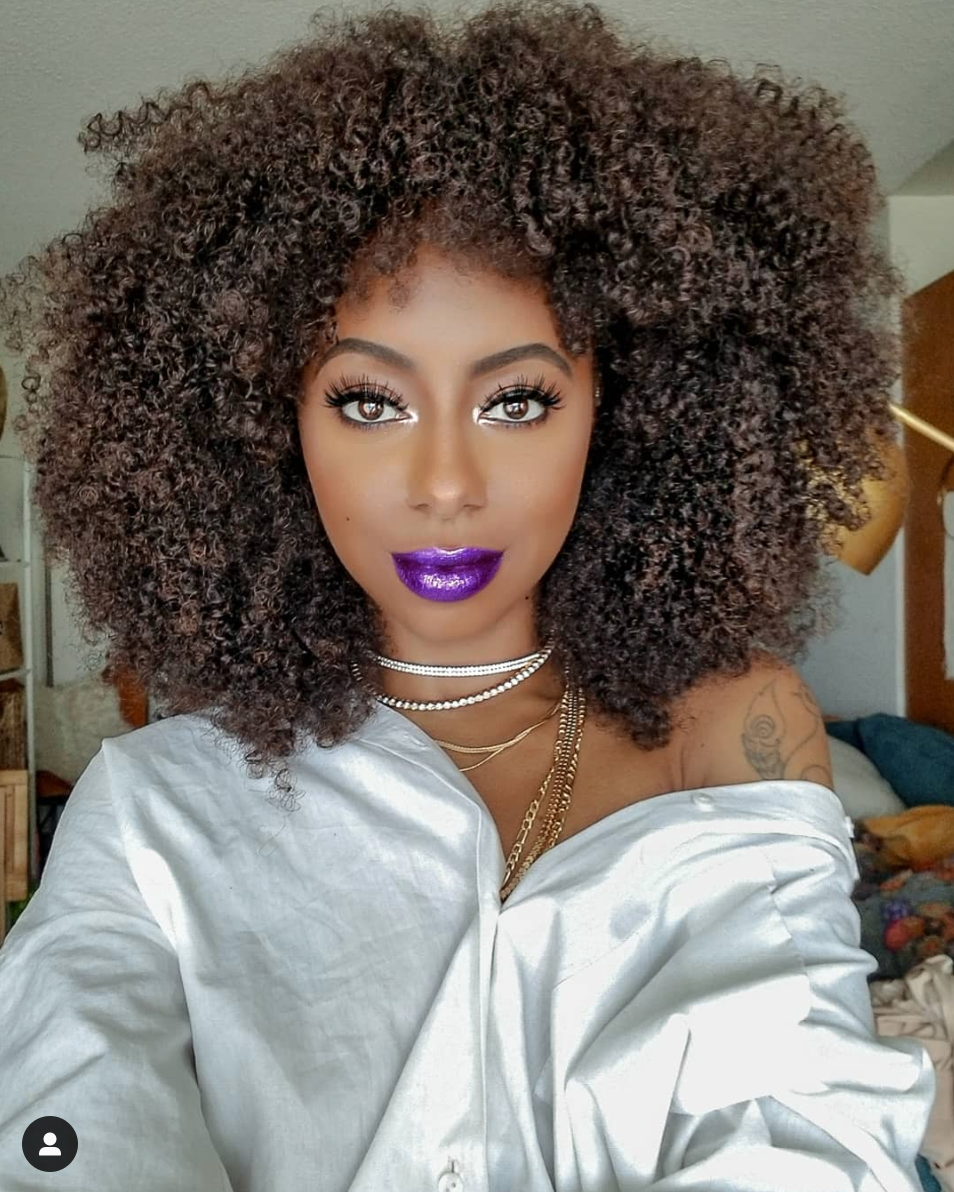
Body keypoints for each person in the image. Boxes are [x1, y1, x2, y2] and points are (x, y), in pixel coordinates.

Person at [0, 2, 936, 1189]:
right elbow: (70, 1136)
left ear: (629, 412)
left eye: (517, 400)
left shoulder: (731, 723)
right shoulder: (150, 811)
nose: (445, 484)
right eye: (368, 401)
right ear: (266, 426)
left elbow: (812, 1134)